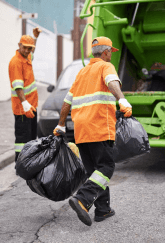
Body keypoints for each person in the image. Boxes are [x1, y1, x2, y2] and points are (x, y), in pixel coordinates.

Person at [53, 37, 132, 226]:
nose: (111, 55)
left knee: (95, 173)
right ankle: (82, 198)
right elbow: (112, 82)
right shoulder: (105, 67)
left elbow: (67, 102)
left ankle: (103, 210)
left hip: (81, 131)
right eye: (110, 52)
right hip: (99, 127)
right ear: (105, 53)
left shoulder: (81, 73)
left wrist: (61, 125)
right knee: (106, 168)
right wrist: (122, 99)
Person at [8, 28, 41, 162]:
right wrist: (25, 104)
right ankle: (20, 164)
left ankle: (30, 162)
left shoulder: (26, 57)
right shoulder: (16, 62)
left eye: (30, 48)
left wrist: (35, 38)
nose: (28, 51)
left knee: (32, 136)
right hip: (23, 108)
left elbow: (32, 52)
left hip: (31, 106)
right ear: (19, 45)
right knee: (22, 139)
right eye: (25, 48)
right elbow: (18, 87)